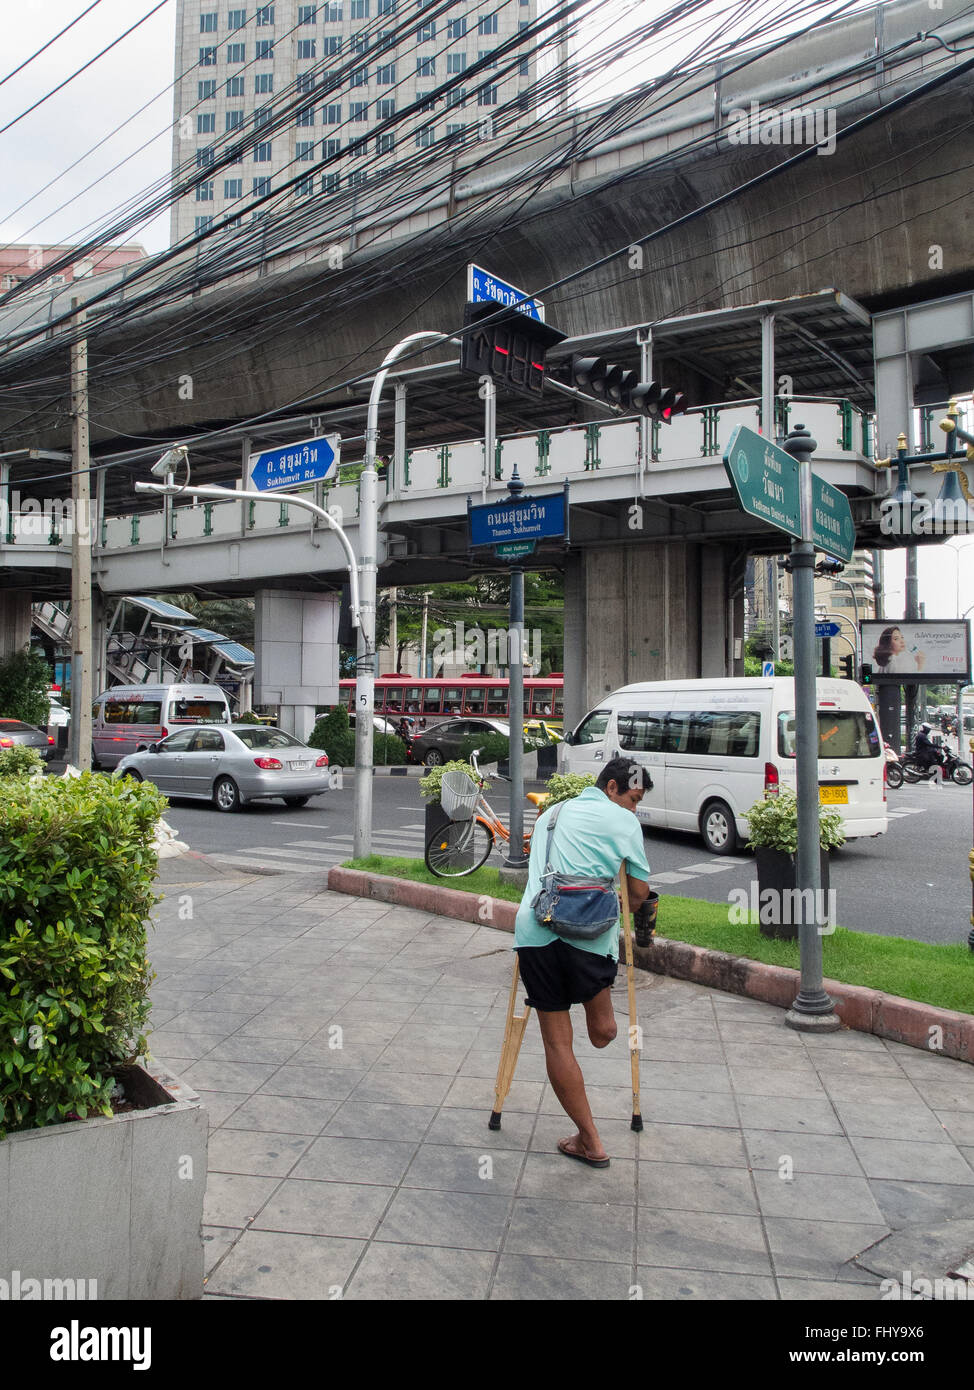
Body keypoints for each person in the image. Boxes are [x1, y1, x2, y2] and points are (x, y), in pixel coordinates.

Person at [513, 757, 652, 1168]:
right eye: (633, 797)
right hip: (590, 935)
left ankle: (588, 1138)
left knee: (565, 1040)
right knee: (602, 1033)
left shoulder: (550, 814)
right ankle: (590, 1140)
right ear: (611, 787)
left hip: (536, 931)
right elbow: (639, 893)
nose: (634, 807)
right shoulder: (625, 823)